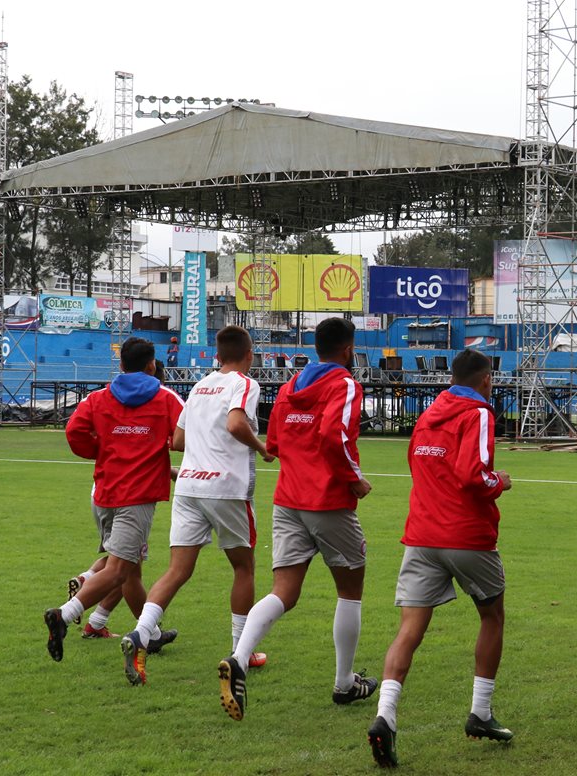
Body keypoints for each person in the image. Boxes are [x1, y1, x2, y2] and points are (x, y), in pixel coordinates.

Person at [219, 317, 376, 722]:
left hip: (288, 500)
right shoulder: (343, 384)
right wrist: (355, 480)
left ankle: (239, 656)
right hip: (328, 500)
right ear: (348, 349)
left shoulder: (291, 386)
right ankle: (344, 683)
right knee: (350, 590)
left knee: (284, 591)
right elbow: (334, 436)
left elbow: (273, 442)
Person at [367, 349, 514, 768]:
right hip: (465, 534)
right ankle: (480, 712)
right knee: (492, 616)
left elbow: (417, 464)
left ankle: (385, 715)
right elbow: (473, 475)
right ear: (486, 380)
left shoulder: (429, 413)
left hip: (421, 534)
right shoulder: (479, 413)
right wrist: (499, 482)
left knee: (409, 629)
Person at [122, 326, 275, 685]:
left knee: (177, 570)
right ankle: (241, 651)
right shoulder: (245, 384)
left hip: (189, 486)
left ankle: (141, 633)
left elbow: (177, 440)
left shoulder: (199, 386)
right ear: (249, 355)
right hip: (227, 488)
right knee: (244, 567)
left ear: (217, 356)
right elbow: (236, 424)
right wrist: (262, 447)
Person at [43, 337, 185, 664]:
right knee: (119, 570)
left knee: (131, 571)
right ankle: (63, 615)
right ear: (152, 365)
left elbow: (74, 432)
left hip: (105, 492)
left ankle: (150, 634)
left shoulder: (98, 398)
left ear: (121, 365)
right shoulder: (165, 398)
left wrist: (104, 450)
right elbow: (185, 434)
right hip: (137, 497)